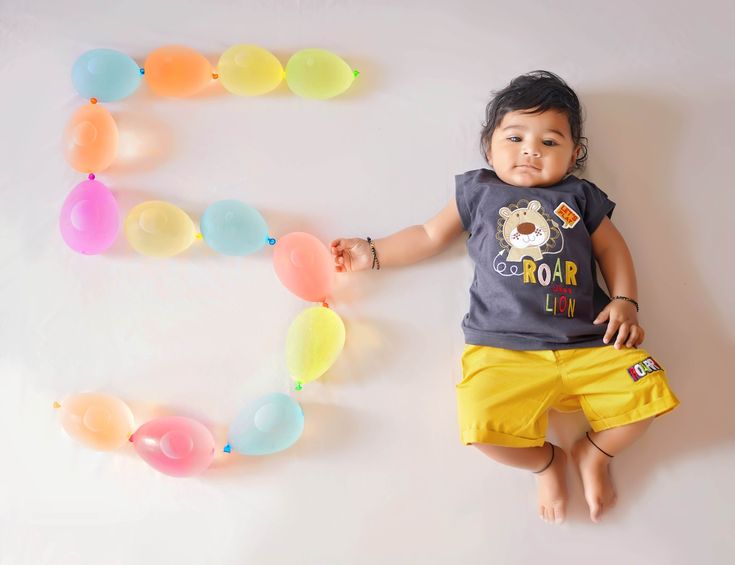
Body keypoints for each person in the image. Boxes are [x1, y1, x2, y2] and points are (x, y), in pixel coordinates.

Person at [330, 70, 679, 524]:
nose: (531, 150)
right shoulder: (478, 191)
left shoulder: (581, 196)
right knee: (481, 432)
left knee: (650, 397)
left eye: (550, 142)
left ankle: (593, 453)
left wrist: (625, 301)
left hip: (592, 342)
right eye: (515, 137)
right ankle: (547, 461)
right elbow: (429, 234)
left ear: (576, 154)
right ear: (488, 145)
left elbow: (612, 247)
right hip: (502, 348)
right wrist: (373, 252)